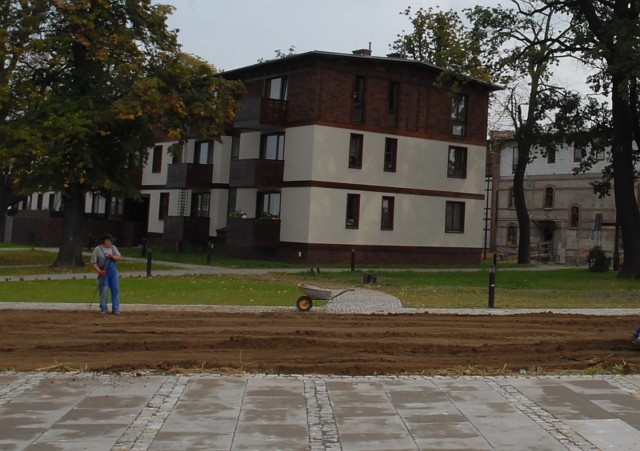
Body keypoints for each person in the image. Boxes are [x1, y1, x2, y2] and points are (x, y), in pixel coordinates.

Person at [91, 233, 122, 315]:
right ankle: (103, 308)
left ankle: (116, 308)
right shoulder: (97, 249)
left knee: (115, 290)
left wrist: (112, 256)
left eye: (110, 241)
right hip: (104, 272)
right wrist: (99, 271)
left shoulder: (113, 248)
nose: (109, 243)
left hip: (113, 272)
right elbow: (93, 263)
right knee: (104, 290)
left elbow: (119, 257)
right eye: (108, 241)